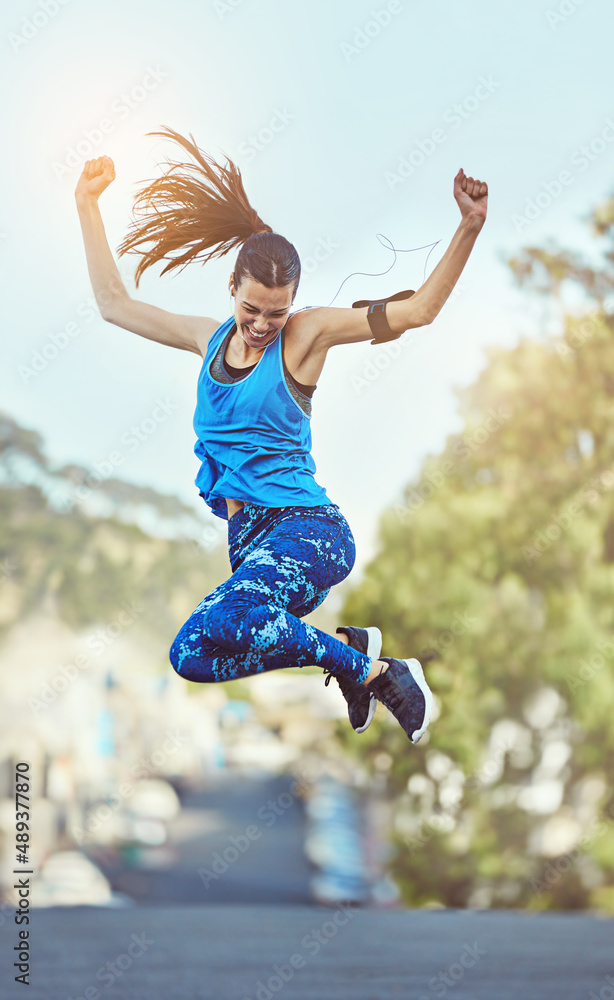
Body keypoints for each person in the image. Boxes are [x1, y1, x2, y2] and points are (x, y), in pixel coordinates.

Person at [74, 126, 488, 744]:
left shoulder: (306, 336)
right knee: (191, 655)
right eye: (252, 309)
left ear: (293, 301)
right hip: (251, 545)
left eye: (277, 310)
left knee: (234, 615)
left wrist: (469, 226)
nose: (264, 324)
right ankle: (353, 656)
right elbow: (114, 304)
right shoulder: (205, 339)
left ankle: (377, 670)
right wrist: (86, 204)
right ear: (232, 291)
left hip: (308, 532)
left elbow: (417, 311)